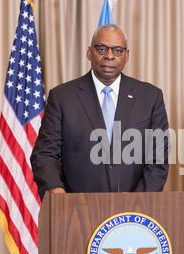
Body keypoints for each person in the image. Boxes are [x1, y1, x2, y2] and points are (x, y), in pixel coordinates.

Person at [31, 24, 169, 200]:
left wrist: (136, 204)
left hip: (134, 217)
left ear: (126, 56)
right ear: (89, 52)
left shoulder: (151, 97)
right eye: (102, 48)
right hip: (77, 210)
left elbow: (158, 159)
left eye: (117, 50)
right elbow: (45, 154)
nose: (109, 56)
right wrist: (57, 192)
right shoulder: (62, 97)